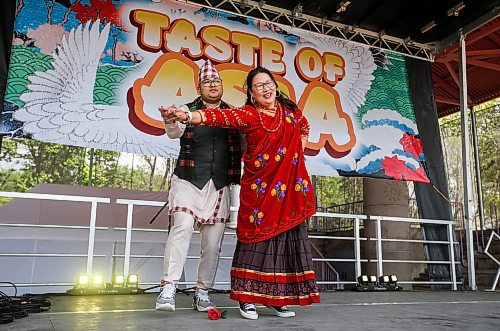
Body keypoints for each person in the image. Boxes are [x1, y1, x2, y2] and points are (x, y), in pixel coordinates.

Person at [160, 66, 320, 320]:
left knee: (275, 244)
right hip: (249, 189)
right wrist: (185, 116)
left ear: (275, 87)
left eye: (269, 83)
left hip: (282, 189)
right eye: (259, 86)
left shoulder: (290, 111)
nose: (266, 89)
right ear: (251, 93)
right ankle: (241, 298)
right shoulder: (247, 114)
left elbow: (304, 127)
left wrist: (293, 158)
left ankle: (275, 298)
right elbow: (215, 119)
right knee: (249, 240)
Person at [155, 60, 241, 313]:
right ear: (199, 86)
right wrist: (170, 120)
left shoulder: (232, 115)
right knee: (181, 227)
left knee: (213, 244)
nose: (213, 85)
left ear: (222, 86)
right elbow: (174, 132)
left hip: (220, 183)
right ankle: (168, 286)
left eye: (216, 81)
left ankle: (202, 291)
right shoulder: (186, 109)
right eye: (207, 82)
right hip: (188, 179)